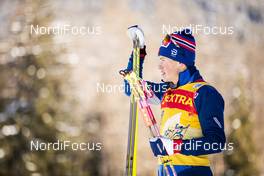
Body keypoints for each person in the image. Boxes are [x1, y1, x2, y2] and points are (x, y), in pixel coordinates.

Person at [124, 26, 226, 176]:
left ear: (180, 62)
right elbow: (131, 89)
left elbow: (216, 142)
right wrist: (138, 53)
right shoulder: (166, 91)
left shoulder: (204, 93)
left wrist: (175, 146)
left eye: (164, 60)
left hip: (193, 172)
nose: (160, 66)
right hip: (165, 171)